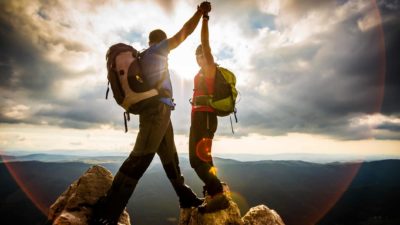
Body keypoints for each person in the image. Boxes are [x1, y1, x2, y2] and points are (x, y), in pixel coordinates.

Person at [90, 2, 212, 225]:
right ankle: (109, 212)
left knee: (170, 160)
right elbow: (183, 34)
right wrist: (200, 14)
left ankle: (185, 198)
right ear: (160, 40)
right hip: (156, 113)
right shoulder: (158, 50)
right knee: (139, 160)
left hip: (162, 112)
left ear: (148, 41)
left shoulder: (145, 54)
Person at [189, 5, 230, 213]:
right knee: (205, 158)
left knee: (195, 160)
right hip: (200, 118)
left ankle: (218, 195)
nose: (200, 58)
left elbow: (205, 43)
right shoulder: (200, 73)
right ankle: (213, 190)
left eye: (202, 55)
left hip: (205, 117)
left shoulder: (210, 69)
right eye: (197, 56)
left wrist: (204, 18)